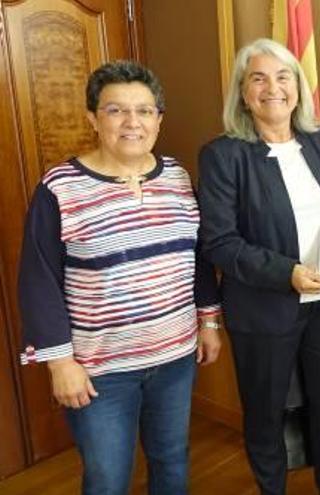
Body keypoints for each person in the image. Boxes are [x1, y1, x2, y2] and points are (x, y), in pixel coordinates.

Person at [17, 60, 222, 495]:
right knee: (108, 478)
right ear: (93, 117)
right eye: (116, 110)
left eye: (144, 111)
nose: (132, 122)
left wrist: (208, 323)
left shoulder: (178, 177)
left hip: (175, 357)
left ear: (159, 119)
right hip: (100, 371)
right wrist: (60, 364)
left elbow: (198, 258)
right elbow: (38, 282)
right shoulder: (59, 187)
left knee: (172, 461)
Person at [198, 38, 320, 495]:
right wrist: (287, 273)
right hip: (263, 308)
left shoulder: (319, 138)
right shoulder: (223, 155)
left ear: (298, 86)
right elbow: (220, 241)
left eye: (283, 76)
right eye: (259, 78)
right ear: (243, 92)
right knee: (266, 409)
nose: (273, 88)